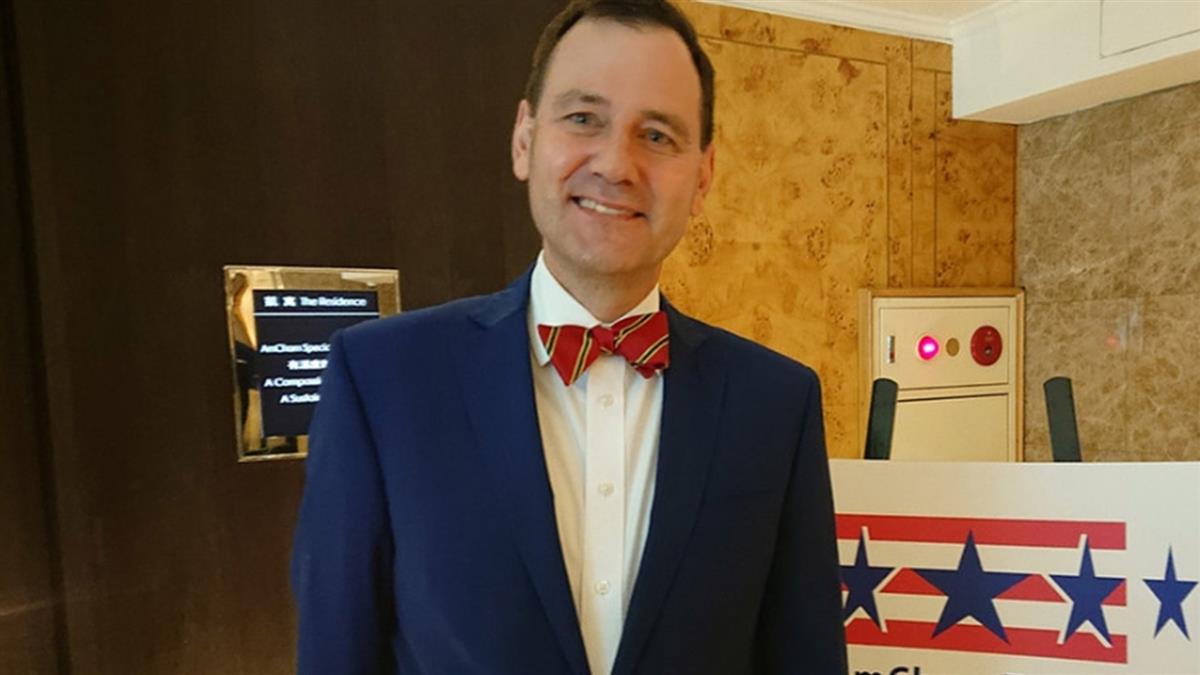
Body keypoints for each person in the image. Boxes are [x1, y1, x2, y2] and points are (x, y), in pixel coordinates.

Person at [290, 1, 847, 673]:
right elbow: (337, 652)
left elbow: (806, 656)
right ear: (525, 140)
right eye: (584, 118)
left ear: (703, 176)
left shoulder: (776, 403)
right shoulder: (381, 378)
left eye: (658, 135)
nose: (616, 164)